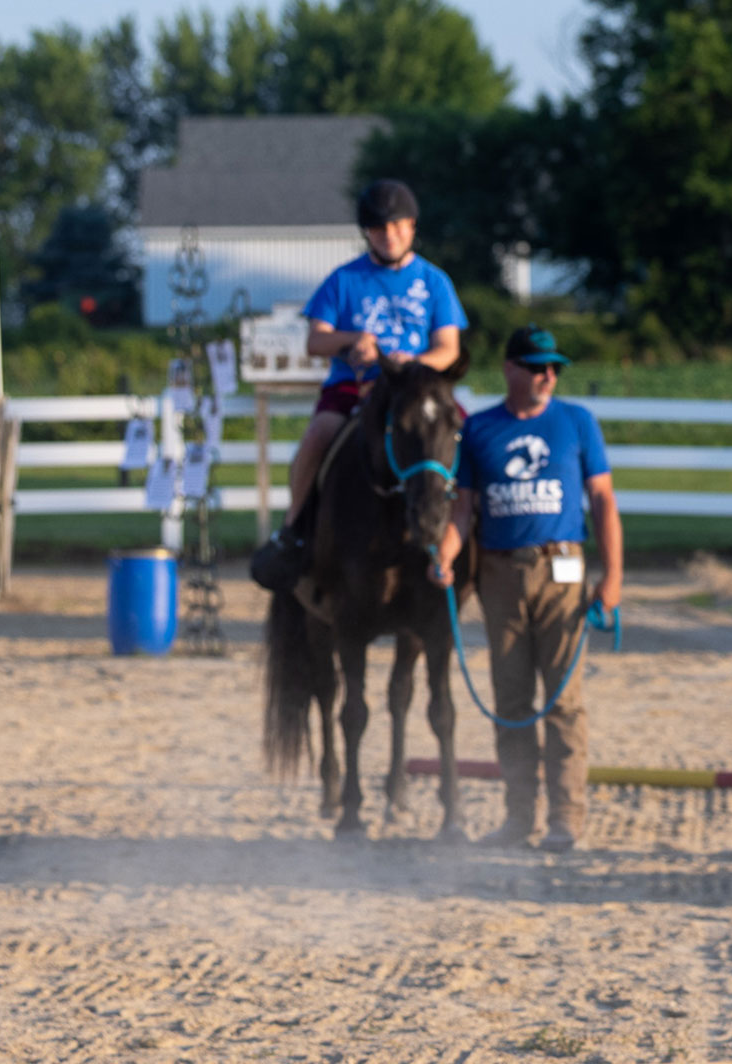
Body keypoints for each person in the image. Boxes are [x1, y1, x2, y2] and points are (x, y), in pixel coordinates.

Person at [433, 326, 622, 852]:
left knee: (563, 700)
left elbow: (603, 500)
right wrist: (445, 556)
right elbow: (462, 508)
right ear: (510, 368)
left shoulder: (576, 422)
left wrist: (613, 574)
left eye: (554, 367)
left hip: (562, 568)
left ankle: (565, 819)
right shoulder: (479, 430)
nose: (548, 376)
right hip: (499, 574)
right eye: (537, 366)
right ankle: (520, 817)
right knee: (512, 700)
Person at [285, 179, 468, 537]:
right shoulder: (343, 280)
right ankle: (295, 525)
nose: (390, 234)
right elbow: (315, 341)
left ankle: (470, 527)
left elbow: (449, 348)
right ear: (367, 232)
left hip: (416, 389)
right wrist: (355, 338)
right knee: (318, 436)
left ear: (412, 225)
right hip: (355, 386)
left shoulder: (435, 281)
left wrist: (413, 364)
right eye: (379, 227)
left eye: (398, 225)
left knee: (466, 435)